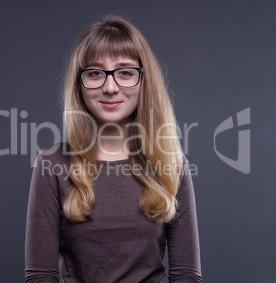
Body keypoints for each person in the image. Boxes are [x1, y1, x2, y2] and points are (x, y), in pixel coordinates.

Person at [25, 15, 203, 283]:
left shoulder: (171, 164)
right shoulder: (52, 163)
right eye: (95, 73)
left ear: (144, 82)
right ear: (79, 85)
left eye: (126, 72)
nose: (110, 87)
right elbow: (40, 276)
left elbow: (186, 276)